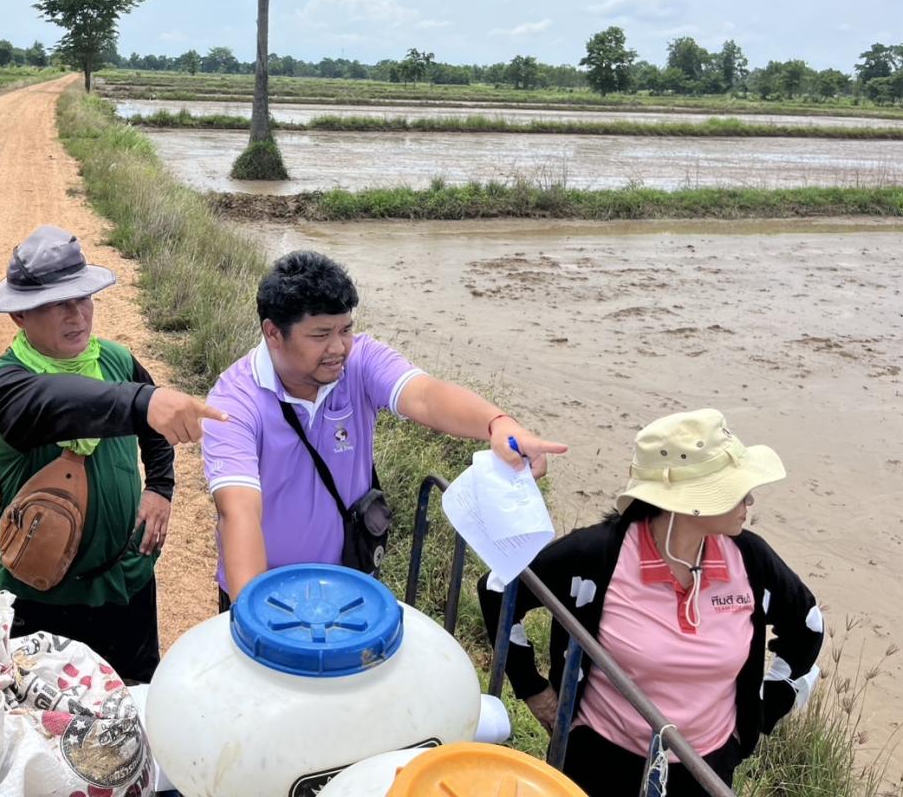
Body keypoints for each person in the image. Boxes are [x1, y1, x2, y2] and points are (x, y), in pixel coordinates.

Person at [480, 409, 824, 796]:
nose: (750, 499)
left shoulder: (750, 559)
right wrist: (534, 690)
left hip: (706, 767)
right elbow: (498, 590)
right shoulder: (598, 556)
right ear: (687, 500)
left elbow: (807, 624)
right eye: (736, 490)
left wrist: (762, 710)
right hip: (599, 759)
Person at [202, 250, 567, 605]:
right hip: (267, 594)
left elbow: (425, 396)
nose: (338, 347)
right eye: (320, 334)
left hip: (349, 586)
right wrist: (252, 616)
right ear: (273, 333)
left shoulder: (360, 362)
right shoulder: (234, 402)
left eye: (346, 329)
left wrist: (497, 423)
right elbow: (239, 512)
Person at [0, 224, 225, 683]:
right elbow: (62, 401)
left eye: (83, 298)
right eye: (55, 304)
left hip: (126, 578)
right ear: (19, 317)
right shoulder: (0, 386)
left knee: (136, 696)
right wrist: (144, 401)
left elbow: (152, 433)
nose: (77, 316)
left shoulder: (116, 360)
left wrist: (161, 489)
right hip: (44, 595)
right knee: (50, 722)